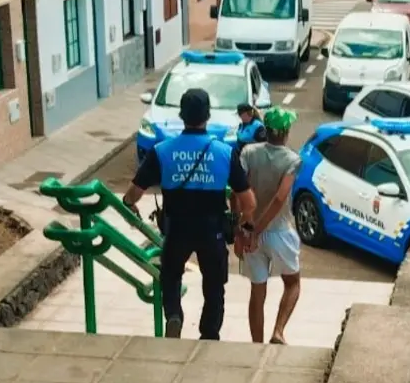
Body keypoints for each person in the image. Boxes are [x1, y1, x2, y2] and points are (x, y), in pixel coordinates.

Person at [123, 88, 257, 340]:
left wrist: (129, 205)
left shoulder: (162, 151)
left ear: (182, 116)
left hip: (176, 229)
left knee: (170, 276)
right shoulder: (224, 152)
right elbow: (248, 201)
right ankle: (209, 334)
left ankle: (174, 315)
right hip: (212, 231)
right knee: (215, 287)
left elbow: (133, 192)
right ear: (207, 116)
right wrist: (244, 227)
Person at [235, 106, 303, 345]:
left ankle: (257, 345)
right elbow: (279, 198)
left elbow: (237, 192)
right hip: (279, 232)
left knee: (257, 291)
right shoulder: (292, 160)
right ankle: (278, 331)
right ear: (285, 131)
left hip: (249, 229)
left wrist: (242, 230)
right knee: (293, 282)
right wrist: (258, 230)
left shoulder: (248, 153)